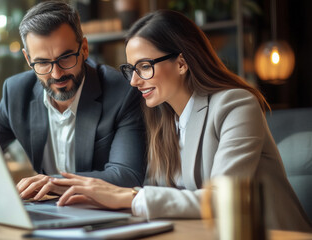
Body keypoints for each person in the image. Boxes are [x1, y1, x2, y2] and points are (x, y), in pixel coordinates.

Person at [52, 10, 312, 232]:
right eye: (131, 69)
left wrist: (127, 196)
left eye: (144, 66)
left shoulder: (236, 105)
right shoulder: (163, 120)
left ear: (181, 63)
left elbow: (221, 199)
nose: (133, 81)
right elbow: (161, 193)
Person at [0, 1, 146, 200]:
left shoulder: (121, 93)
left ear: (85, 48)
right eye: (43, 62)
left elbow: (127, 175)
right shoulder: (16, 92)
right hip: (47, 212)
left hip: (101, 215)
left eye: (65, 58)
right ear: (28, 59)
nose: (57, 74)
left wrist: (54, 182)